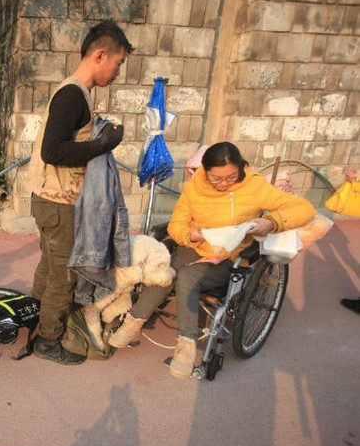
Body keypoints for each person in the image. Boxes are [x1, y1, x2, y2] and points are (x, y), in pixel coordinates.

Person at [107, 142, 315, 377]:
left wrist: (271, 222)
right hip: (198, 245)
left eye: (231, 177)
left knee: (187, 277)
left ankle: (185, 345)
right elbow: (177, 226)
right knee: (166, 270)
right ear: (204, 171)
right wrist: (190, 235)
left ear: (241, 169)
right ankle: (135, 321)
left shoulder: (254, 186)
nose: (224, 184)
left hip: (230, 255)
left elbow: (304, 209)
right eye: (217, 179)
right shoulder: (193, 189)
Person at [27, 20, 133, 365]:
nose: (118, 72)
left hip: (48, 198)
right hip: (57, 202)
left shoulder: (75, 92)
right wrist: (102, 145)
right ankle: (48, 339)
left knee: (49, 264)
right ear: (101, 55)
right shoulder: (73, 94)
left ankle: (36, 316)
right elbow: (53, 151)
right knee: (64, 274)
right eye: (118, 63)